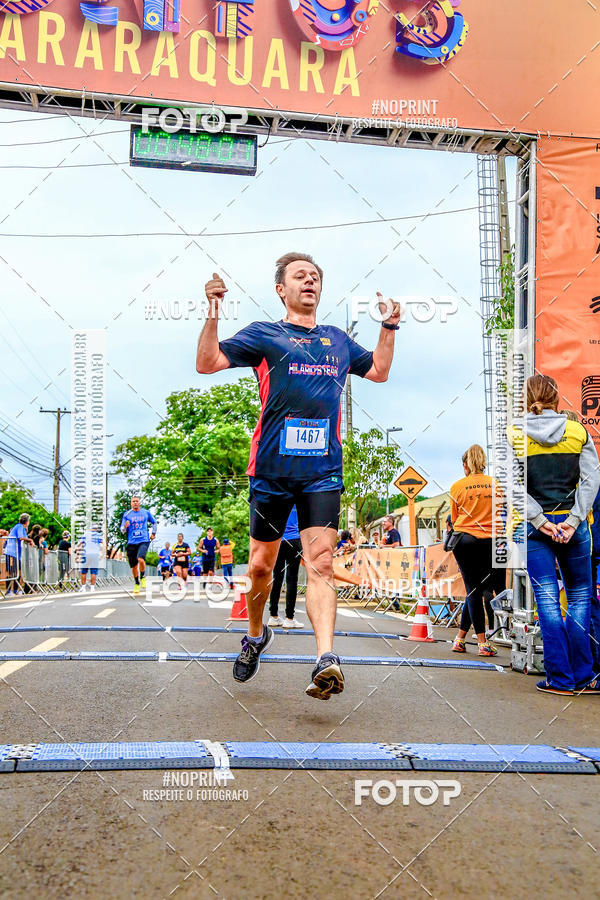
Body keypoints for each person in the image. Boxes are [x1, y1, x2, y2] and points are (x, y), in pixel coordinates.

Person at [197, 252, 400, 699]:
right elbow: (208, 362)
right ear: (281, 289)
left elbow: (380, 372)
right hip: (271, 470)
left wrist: (389, 328)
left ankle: (326, 658)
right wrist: (213, 309)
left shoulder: (337, 340)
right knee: (259, 566)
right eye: (300, 276)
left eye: (315, 277)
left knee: (322, 563)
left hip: (322, 473)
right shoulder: (264, 335)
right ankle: (255, 635)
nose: (309, 281)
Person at [512, 375, 600, 695]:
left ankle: (560, 679)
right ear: (557, 398)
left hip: (535, 530)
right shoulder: (578, 431)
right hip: (574, 529)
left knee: (548, 603)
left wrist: (541, 521)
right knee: (578, 599)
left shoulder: (514, 433)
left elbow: (513, 487)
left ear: (527, 398)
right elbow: (591, 480)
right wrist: (574, 520)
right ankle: (585, 677)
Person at [449, 444, 505, 657]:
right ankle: (482, 641)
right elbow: (502, 514)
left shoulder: (457, 487)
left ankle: (462, 639)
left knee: (472, 589)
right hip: (491, 540)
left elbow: (454, 520)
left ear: (466, 465)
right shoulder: (496, 485)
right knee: (483, 589)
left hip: (465, 540)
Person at [268, 505, 304, 628]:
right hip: (294, 540)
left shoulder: (277, 497)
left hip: (277, 541)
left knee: (276, 578)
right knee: (292, 580)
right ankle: (289, 618)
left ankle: (273, 616)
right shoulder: (299, 499)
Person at [120, 496, 156, 596]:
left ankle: (143, 576)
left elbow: (154, 522)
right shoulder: (127, 514)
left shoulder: (145, 512)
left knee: (141, 559)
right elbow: (122, 530)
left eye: (137, 501)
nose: (135, 503)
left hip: (143, 540)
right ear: (131, 503)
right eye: (133, 501)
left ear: (139, 503)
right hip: (131, 542)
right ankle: (136, 582)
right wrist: (125, 527)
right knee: (134, 566)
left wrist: (153, 533)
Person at [4, 514, 33, 595]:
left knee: (18, 572)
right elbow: (20, 537)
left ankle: (16, 590)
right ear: (27, 521)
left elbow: (24, 538)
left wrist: (28, 541)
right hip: (11, 552)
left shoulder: (23, 528)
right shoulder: (19, 526)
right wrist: (30, 540)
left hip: (18, 554)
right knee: (11, 572)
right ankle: (9, 591)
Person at [77, 525, 103, 592]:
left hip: (86, 554)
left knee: (83, 572)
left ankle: (83, 587)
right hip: (95, 554)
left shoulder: (86, 534)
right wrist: (102, 554)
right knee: (93, 572)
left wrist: (77, 554)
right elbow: (103, 545)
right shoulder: (99, 535)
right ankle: (92, 587)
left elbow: (79, 544)